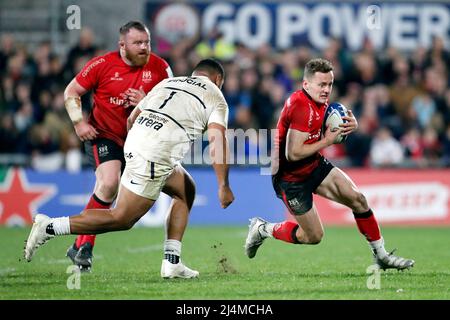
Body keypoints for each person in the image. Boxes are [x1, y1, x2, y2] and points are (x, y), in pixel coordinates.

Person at [24, 58, 235, 278]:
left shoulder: (170, 83)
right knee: (122, 218)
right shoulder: (215, 97)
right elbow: (217, 143)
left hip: (138, 140)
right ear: (218, 79)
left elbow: (133, 117)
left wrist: (138, 147)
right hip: (157, 152)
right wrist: (223, 185)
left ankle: (172, 262)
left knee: (186, 189)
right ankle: (49, 227)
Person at [245, 58, 414, 271]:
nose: (326, 90)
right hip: (290, 178)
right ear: (306, 84)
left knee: (358, 200)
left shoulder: (319, 101)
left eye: (329, 84)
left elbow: (327, 124)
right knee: (313, 236)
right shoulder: (299, 104)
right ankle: (263, 229)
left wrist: (350, 124)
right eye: (321, 85)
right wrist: (327, 141)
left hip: (314, 165)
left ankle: (381, 255)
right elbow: (293, 152)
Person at [63, 21, 196, 277]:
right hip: (107, 137)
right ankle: (85, 246)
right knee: (109, 183)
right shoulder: (101, 65)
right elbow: (71, 92)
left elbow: (174, 106)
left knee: (185, 190)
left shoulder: (159, 67)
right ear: (122, 45)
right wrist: (79, 123)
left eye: (147, 42)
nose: (144, 47)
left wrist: (146, 102)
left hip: (144, 143)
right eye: (138, 43)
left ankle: (172, 261)